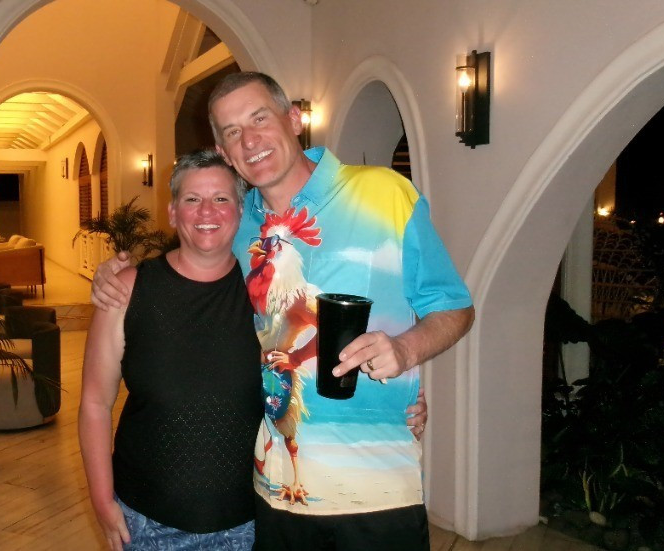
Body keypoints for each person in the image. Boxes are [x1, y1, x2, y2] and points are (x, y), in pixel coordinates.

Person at [93, 71, 474, 550]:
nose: (249, 140)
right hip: (275, 494)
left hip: (375, 488)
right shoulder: (237, 223)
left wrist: (405, 350)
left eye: (259, 118)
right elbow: (187, 269)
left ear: (294, 119)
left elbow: (454, 308)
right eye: (232, 131)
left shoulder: (385, 194)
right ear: (224, 151)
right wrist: (115, 277)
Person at [79, 150, 261, 550]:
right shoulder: (127, 289)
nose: (206, 211)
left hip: (248, 524)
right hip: (146, 523)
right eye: (192, 199)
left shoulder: (266, 291)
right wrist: (102, 499)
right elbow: (95, 402)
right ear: (173, 212)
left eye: (221, 198)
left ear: (240, 211)